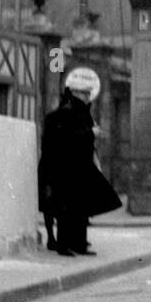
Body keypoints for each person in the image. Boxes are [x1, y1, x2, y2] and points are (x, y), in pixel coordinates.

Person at [38, 71, 121, 256]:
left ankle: (77, 243)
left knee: (78, 207)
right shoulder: (67, 114)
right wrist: (92, 133)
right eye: (85, 94)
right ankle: (65, 245)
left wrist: (93, 134)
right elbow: (68, 139)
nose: (88, 97)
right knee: (68, 208)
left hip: (75, 168)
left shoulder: (74, 112)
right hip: (66, 169)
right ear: (78, 94)